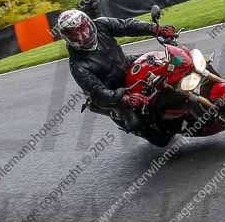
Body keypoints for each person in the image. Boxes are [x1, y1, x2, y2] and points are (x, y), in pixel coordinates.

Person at [57, 9, 177, 144]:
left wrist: (156, 29)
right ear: (67, 38)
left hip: (126, 64)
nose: (82, 36)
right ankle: (135, 123)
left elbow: (127, 25)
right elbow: (97, 92)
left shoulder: (101, 25)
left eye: (83, 29)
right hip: (116, 90)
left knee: (165, 60)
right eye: (75, 35)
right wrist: (124, 98)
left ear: (88, 23)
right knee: (160, 139)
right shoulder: (77, 65)